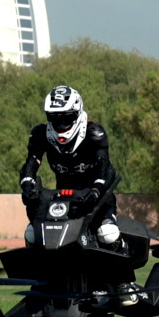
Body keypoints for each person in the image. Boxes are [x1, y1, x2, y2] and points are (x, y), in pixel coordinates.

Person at [19, 85, 137, 305]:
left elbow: (105, 170)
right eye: (55, 119)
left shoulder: (95, 133)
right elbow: (30, 165)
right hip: (63, 197)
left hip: (97, 194)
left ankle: (124, 282)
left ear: (77, 113)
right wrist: (27, 185)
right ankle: (42, 282)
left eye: (66, 118)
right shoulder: (40, 134)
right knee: (33, 235)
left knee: (107, 234)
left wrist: (95, 192)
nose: (61, 125)